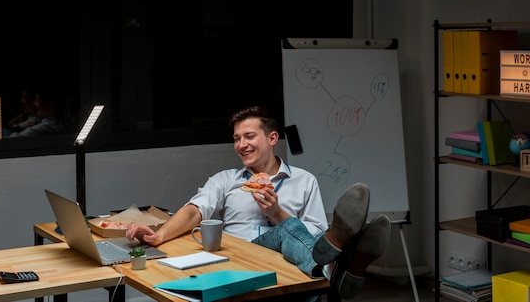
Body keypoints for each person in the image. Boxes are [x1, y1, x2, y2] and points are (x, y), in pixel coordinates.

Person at [126, 105, 391, 299]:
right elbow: (195, 211)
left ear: (272, 138)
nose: (241, 144)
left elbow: (316, 234)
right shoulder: (226, 180)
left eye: (249, 136)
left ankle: (331, 264)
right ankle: (339, 268)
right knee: (289, 232)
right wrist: (159, 235)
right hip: (240, 261)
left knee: (290, 230)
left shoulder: (304, 180)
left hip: (289, 266)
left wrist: (278, 213)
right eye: (236, 139)